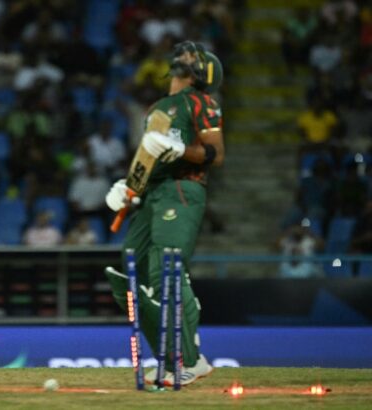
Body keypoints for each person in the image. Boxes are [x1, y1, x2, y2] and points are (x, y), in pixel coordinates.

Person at [104, 41, 224, 387]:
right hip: (153, 194)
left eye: (193, 58)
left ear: (204, 72)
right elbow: (147, 160)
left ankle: (190, 360)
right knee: (132, 271)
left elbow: (217, 154)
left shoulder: (203, 102)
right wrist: (128, 190)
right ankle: (170, 357)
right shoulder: (160, 107)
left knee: (166, 271)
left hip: (182, 189)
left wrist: (180, 149)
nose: (184, 58)